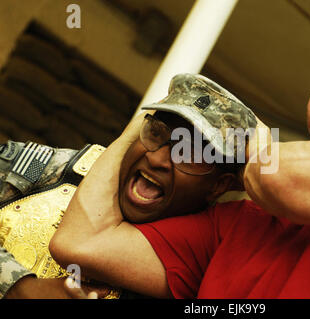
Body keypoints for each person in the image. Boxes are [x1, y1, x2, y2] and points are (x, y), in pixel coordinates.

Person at [51, 25, 310, 298]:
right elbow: (82, 243)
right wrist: (145, 124)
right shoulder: (241, 221)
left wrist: (241, 131)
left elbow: (283, 179)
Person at [0, 73, 256, 298]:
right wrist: (17, 287)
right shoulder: (60, 167)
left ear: (218, 186)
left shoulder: (192, 272)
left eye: (188, 154)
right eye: (155, 133)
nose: (157, 158)